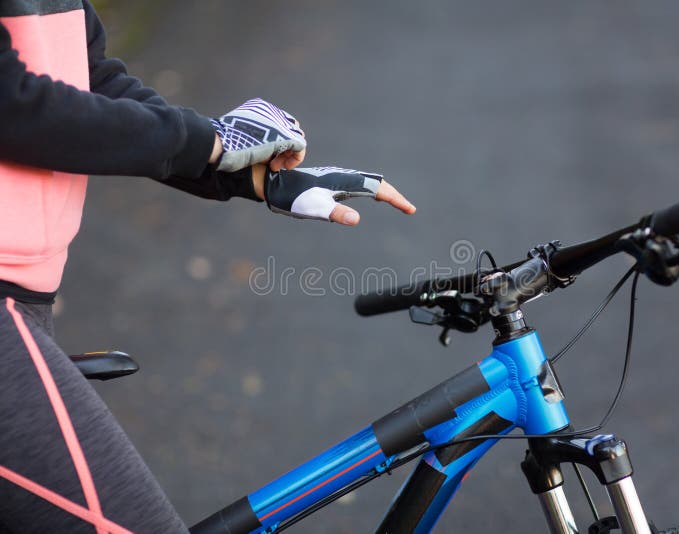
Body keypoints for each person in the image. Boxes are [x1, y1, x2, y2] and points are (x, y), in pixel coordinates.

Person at [0, 1, 415, 531]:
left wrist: (249, 175)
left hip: (28, 301)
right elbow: (12, 103)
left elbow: (90, 78)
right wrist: (211, 143)